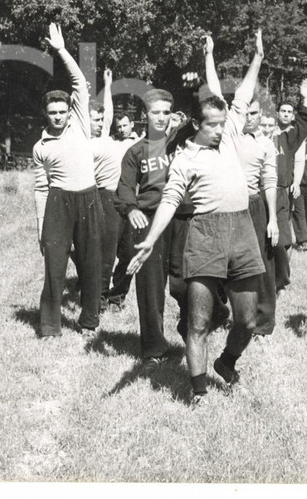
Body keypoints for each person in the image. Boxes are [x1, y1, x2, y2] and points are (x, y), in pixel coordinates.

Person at [128, 31, 266, 404]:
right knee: (199, 321)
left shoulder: (231, 134)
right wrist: (150, 241)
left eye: (224, 123)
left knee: (247, 321)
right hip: (204, 235)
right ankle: (199, 390)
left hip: (242, 230)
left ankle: (227, 361)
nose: (222, 130)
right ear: (196, 125)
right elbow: (171, 201)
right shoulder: (185, 158)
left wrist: (256, 58)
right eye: (213, 125)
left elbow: (238, 95)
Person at [203, 35, 281, 336]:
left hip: (251, 202)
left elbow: (245, 91)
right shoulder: (224, 129)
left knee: (258, 264)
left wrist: (259, 58)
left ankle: (262, 323)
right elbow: (213, 91)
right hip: (222, 203)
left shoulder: (259, 141)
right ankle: (219, 312)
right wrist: (209, 56)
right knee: (219, 263)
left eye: (249, 109)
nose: (240, 111)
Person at [114, 86, 198, 363]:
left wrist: (195, 88)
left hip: (181, 218)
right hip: (149, 220)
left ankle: (191, 332)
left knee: (185, 283)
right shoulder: (135, 151)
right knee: (150, 287)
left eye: (166, 112)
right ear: (144, 115)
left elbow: (202, 116)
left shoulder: (181, 140)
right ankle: (153, 347)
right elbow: (125, 188)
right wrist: (130, 210)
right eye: (155, 113)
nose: (161, 118)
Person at [32, 23, 103, 339]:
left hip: (88, 198)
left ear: (70, 113)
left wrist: (60, 49)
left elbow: (80, 83)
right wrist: (39, 227)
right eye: (53, 113)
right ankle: (49, 326)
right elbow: (40, 188)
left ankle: (89, 321)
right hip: (58, 204)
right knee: (55, 266)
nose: (58, 116)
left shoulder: (80, 125)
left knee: (90, 264)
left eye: (62, 111)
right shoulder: (40, 146)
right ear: (46, 115)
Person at [91, 68, 141, 312]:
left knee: (130, 253)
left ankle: (117, 297)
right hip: (108, 198)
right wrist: (108, 84)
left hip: (131, 200)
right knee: (107, 253)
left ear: (132, 124)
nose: (121, 129)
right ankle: (99, 299)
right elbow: (107, 115)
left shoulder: (140, 145)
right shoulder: (106, 142)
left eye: (125, 125)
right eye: (118, 126)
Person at [269, 86, 307, 293]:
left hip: (281, 191)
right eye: (282, 111)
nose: (285, 114)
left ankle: (281, 281)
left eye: (289, 111)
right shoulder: (266, 135)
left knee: (283, 241)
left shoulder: (290, 137)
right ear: (275, 114)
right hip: (260, 193)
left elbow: (304, 125)